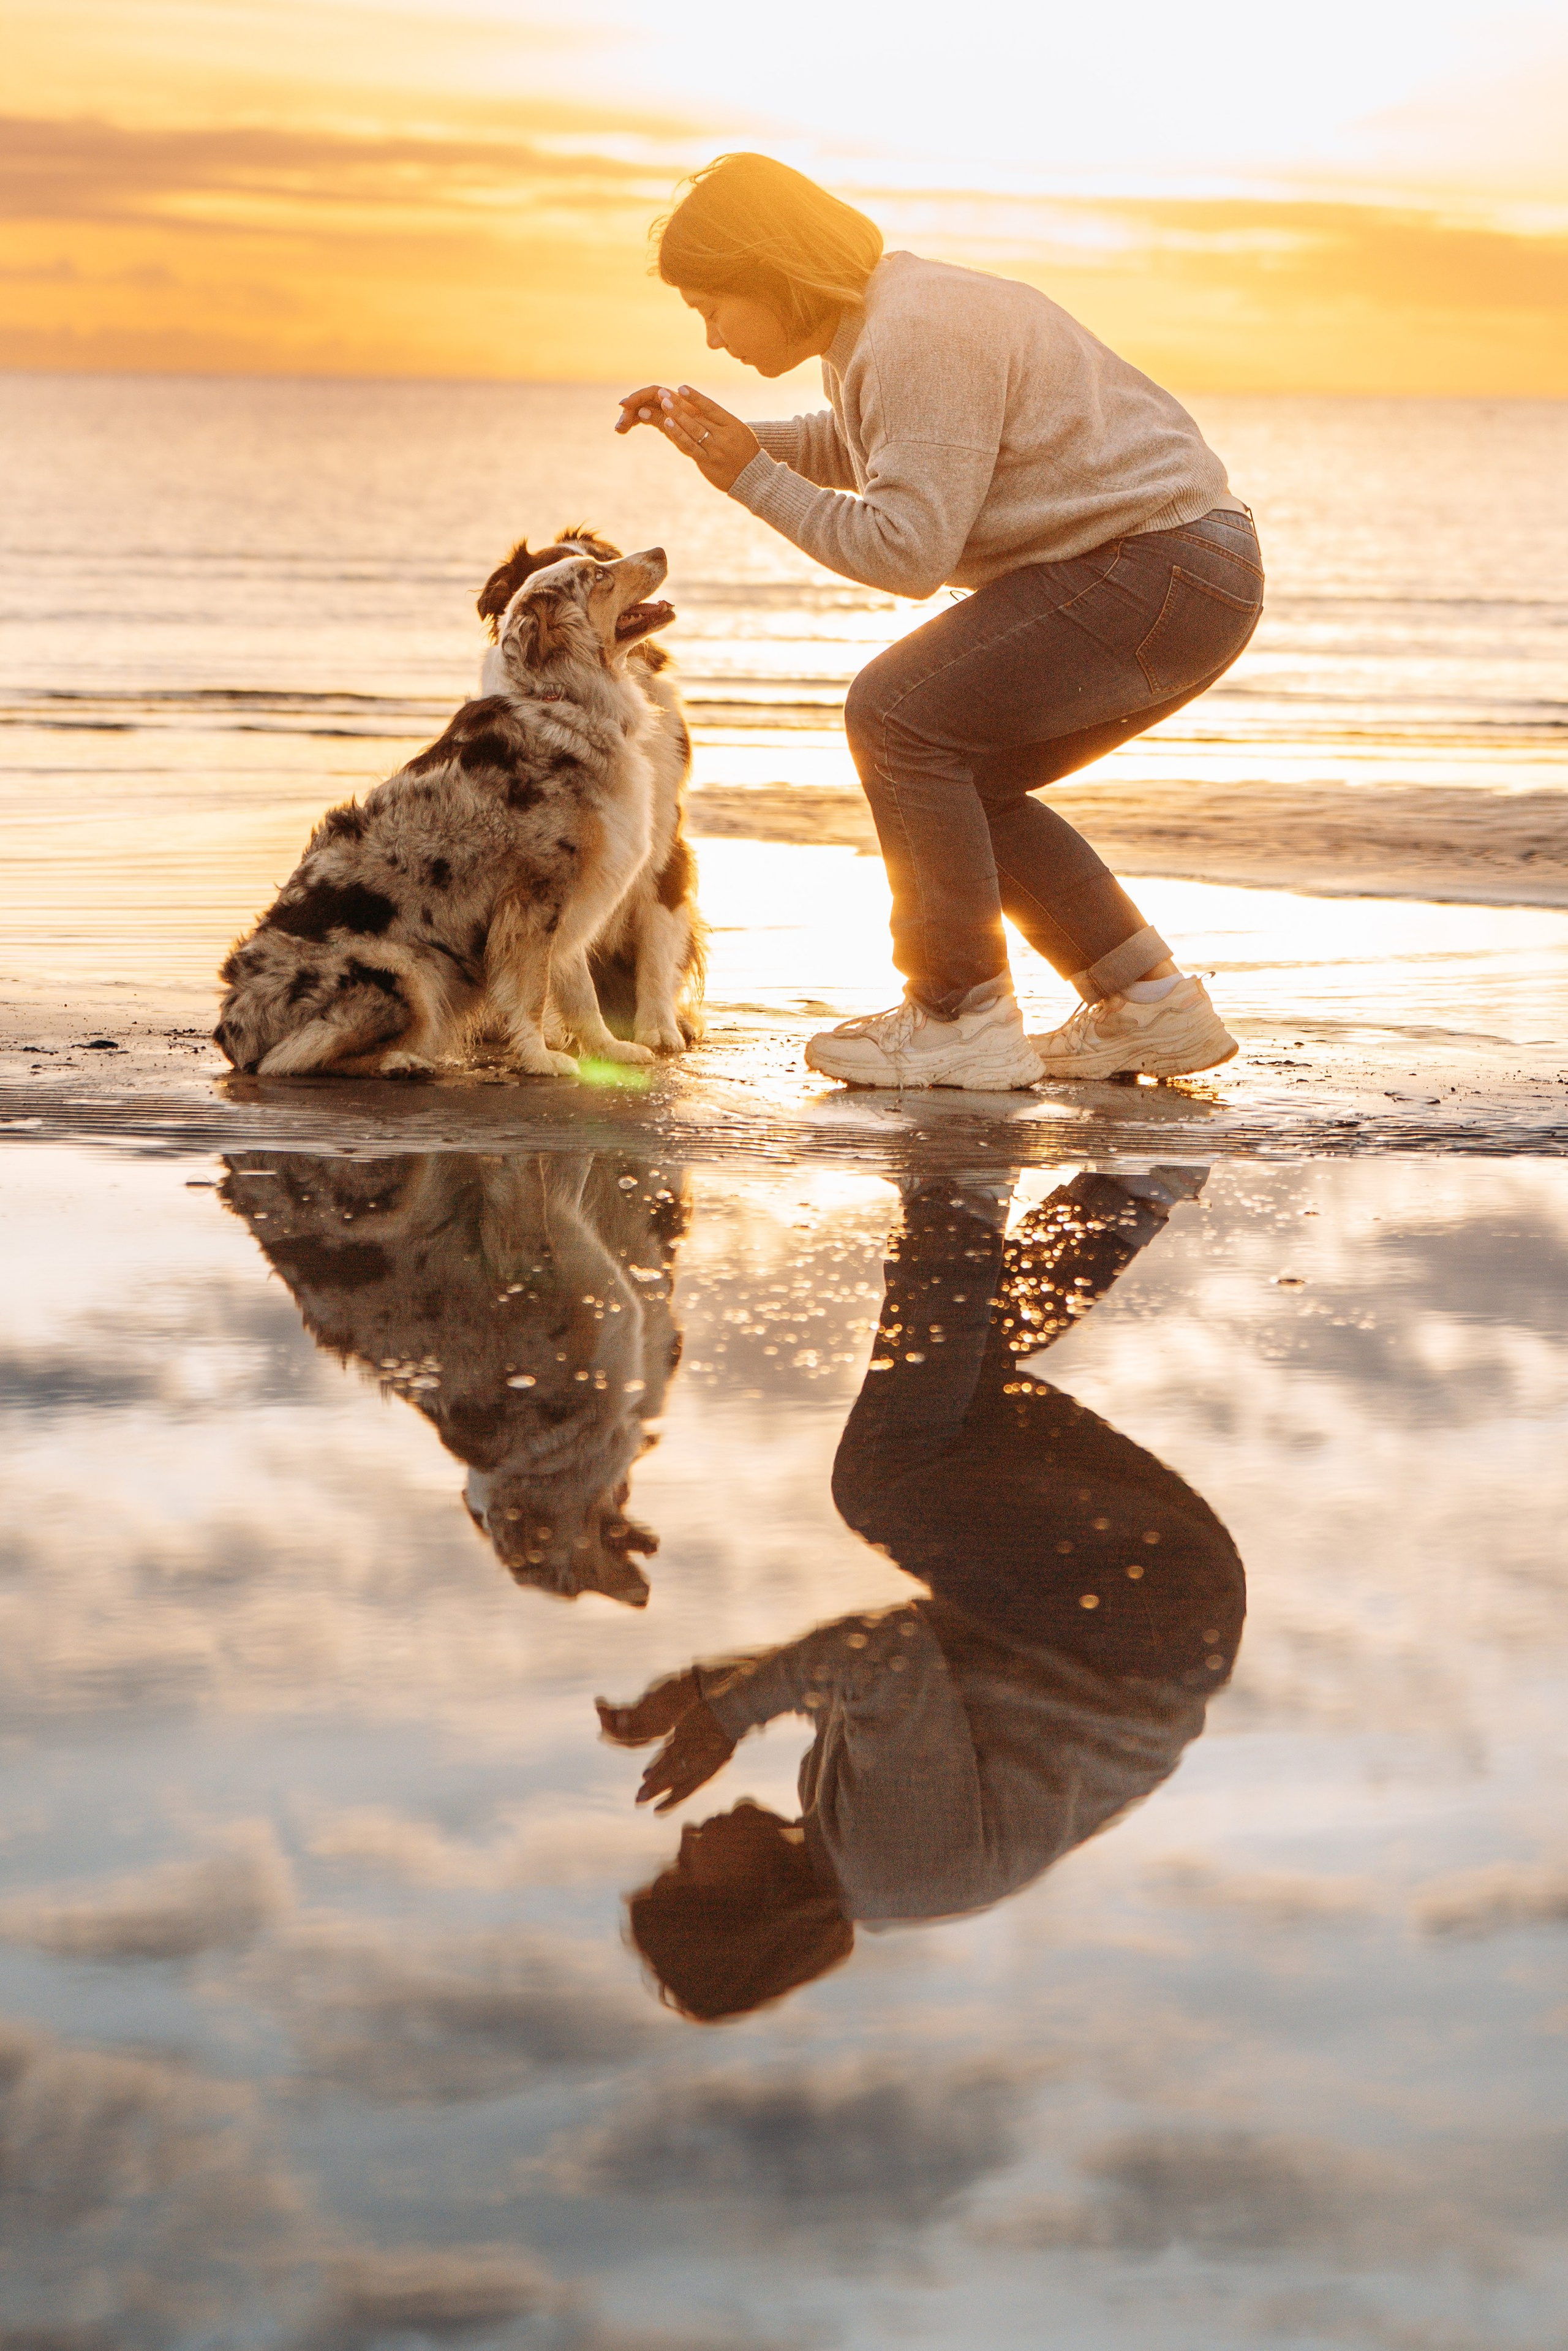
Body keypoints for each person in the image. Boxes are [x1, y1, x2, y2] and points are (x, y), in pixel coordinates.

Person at [616, 153, 1264, 1093]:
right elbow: (879, 445)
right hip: (1185, 571)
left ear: (773, 273)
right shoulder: (882, 326)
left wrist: (754, 479)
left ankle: (957, 1015)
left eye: (712, 305)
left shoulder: (918, 330)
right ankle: (1149, 1005)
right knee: (957, 784)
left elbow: (906, 549)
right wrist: (734, 445)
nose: (712, 337)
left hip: (1158, 566)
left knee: (896, 713)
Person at [599, 1166, 1246, 2022]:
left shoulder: (852, 1843)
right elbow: (886, 1655)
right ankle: (959, 1172)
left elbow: (866, 1685)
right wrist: (728, 1715)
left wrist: (701, 1687)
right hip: (1138, 1620)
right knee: (879, 1476)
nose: (685, 1841)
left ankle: (1137, 1182)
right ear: (743, 1907)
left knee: (956, 1374)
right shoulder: (891, 1863)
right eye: (686, 1871)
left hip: (1146, 1610)